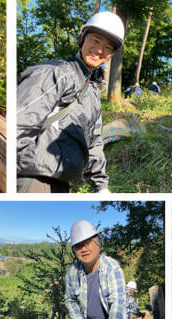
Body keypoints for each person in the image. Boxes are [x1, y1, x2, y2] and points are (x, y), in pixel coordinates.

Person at [17, 11, 124, 193]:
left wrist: (100, 186)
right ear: (82, 38)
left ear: (111, 55)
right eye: (95, 41)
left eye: (107, 47)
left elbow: (94, 142)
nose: (99, 50)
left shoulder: (92, 91)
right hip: (32, 178)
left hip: (62, 182)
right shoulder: (56, 73)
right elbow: (20, 121)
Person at [64, 220, 127, 319]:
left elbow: (118, 301)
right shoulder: (73, 272)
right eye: (78, 246)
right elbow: (69, 300)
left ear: (98, 243)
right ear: (74, 251)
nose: (84, 249)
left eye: (87, 243)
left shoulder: (112, 268)